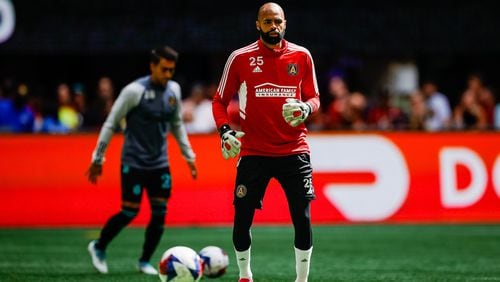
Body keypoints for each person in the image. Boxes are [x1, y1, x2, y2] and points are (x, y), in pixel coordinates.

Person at [211, 3, 320, 282]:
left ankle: (302, 279)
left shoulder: (302, 56)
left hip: (294, 149)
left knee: (302, 217)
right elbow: (220, 101)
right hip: (254, 151)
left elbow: (315, 98)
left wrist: (306, 109)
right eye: (268, 21)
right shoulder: (240, 58)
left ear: (285, 23)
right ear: (258, 25)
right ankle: (245, 274)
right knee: (242, 217)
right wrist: (225, 131)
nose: (274, 26)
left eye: (278, 21)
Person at [86, 46, 197, 275]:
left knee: (159, 215)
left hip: (160, 164)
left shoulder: (173, 90)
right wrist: (98, 158)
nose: (168, 75)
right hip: (134, 162)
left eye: (172, 70)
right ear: (152, 66)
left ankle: (144, 261)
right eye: (164, 69)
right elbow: (111, 123)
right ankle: (98, 246)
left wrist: (189, 156)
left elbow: (176, 124)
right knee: (129, 212)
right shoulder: (134, 91)